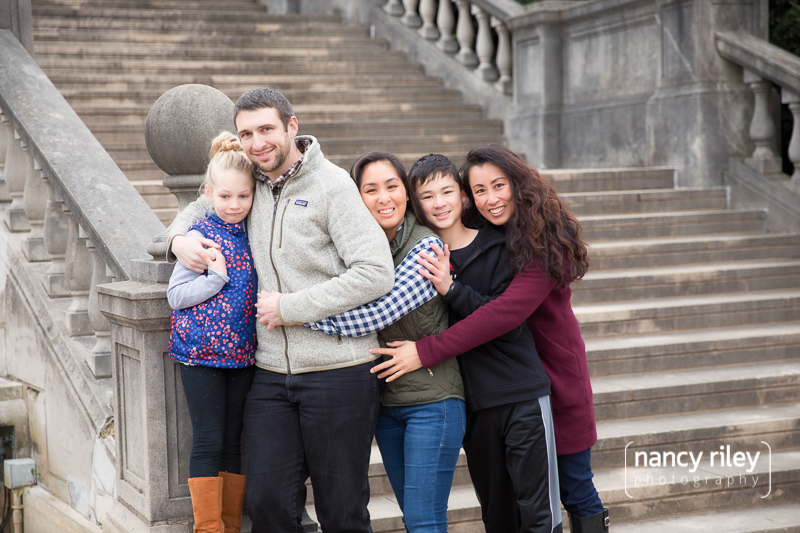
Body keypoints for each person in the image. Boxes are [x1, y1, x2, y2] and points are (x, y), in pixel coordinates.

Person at [167, 88, 395, 533]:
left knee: (342, 509)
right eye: (246, 133)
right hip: (269, 372)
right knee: (268, 504)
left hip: (337, 369)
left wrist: (292, 307)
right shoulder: (248, 182)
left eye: (266, 129)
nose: (257, 142)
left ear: (292, 126)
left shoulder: (332, 185)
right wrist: (178, 242)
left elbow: (375, 272)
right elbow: (198, 206)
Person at [372, 145, 608, 532]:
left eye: (499, 186)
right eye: (480, 190)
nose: (491, 198)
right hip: (486, 388)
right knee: (504, 509)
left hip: (551, 382)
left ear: (519, 185)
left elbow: (502, 316)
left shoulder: (536, 245)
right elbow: (440, 202)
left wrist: (428, 345)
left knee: (573, 488)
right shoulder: (458, 236)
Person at [303, 152, 466, 532]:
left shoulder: (426, 247)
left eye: (392, 186)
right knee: (414, 517)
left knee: (425, 521)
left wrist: (295, 314)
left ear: (407, 194)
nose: (383, 197)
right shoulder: (360, 248)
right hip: (386, 403)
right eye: (370, 189)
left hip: (433, 402)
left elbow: (377, 315)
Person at [166, 131, 257, 533]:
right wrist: (214, 279)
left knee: (233, 442)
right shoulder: (200, 235)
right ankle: (209, 528)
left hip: (242, 353)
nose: (234, 205)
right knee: (208, 438)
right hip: (200, 353)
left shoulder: (255, 233)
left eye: (243, 196)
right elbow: (176, 296)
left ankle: (231, 525)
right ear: (209, 194)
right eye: (225, 197)